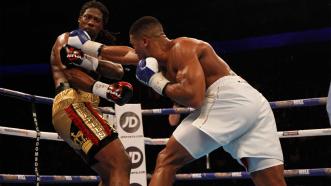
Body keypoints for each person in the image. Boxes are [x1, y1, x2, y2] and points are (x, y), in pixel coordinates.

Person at [61, 16, 287, 186]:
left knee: (167, 159)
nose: (135, 52)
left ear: (145, 41)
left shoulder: (182, 47)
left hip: (228, 99)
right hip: (254, 103)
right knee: (270, 180)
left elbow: (195, 98)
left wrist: (156, 81)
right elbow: (124, 55)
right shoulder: (160, 58)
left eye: (136, 45)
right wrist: (86, 46)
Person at [50, 1, 133, 186]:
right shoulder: (66, 39)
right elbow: (72, 73)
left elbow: (118, 71)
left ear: (102, 25)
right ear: (79, 19)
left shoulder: (95, 49)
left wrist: (91, 61)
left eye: (96, 20)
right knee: (121, 163)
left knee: (110, 173)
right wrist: (106, 89)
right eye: (87, 17)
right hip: (71, 104)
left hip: (86, 107)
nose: (90, 22)